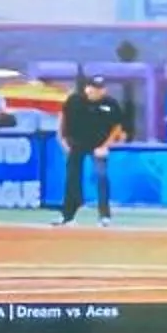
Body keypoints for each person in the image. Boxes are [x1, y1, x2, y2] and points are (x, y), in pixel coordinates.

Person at [56, 74, 131, 225]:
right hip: (76, 144)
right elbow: (62, 119)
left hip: (98, 145)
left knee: (102, 176)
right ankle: (68, 216)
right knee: (72, 178)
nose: (97, 91)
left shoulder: (111, 104)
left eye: (100, 88)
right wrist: (62, 140)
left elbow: (117, 127)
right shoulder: (74, 101)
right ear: (87, 88)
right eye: (94, 88)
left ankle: (104, 216)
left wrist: (105, 146)